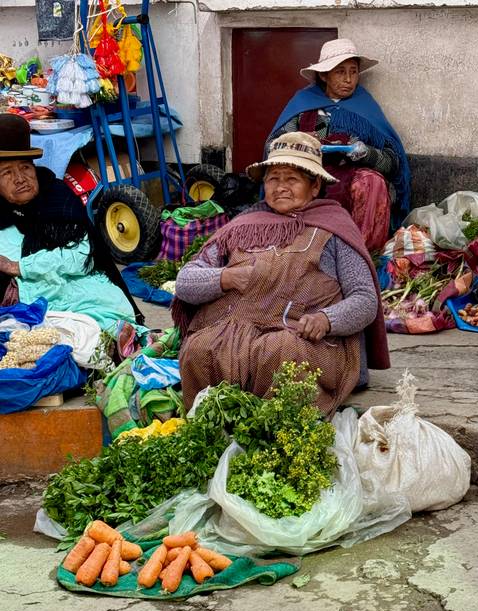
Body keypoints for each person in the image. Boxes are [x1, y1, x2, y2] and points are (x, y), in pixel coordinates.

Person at [173, 131, 390, 413]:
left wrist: (326, 319)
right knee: (200, 349)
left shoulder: (334, 228)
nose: (281, 187)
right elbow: (186, 282)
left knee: (279, 353)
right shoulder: (244, 225)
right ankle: (215, 428)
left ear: (315, 186)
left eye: (292, 179)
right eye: (273, 178)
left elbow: (364, 299)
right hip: (237, 332)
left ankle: (277, 433)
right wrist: (223, 278)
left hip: (304, 338)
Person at [0, 114, 144, 332]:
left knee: (106, 316)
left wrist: (18, 267)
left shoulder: (57, 197)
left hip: (78, 287)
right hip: (27, 302)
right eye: (7, 173)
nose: (20, 179)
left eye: (26, 168)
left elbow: (78, 258)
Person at [267, 38, 411, 251]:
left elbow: (392, 162)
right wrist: (303, 146)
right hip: (309, 173)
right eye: (340, 72)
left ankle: (362, 252)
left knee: (372, 183)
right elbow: (274, 148)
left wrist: (365, 153)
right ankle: (297, 248)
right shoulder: (303, 103)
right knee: (291, 183)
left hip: (352, 174)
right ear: (324, 75)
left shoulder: (365, 107)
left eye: (353, 72)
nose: (348, 79)